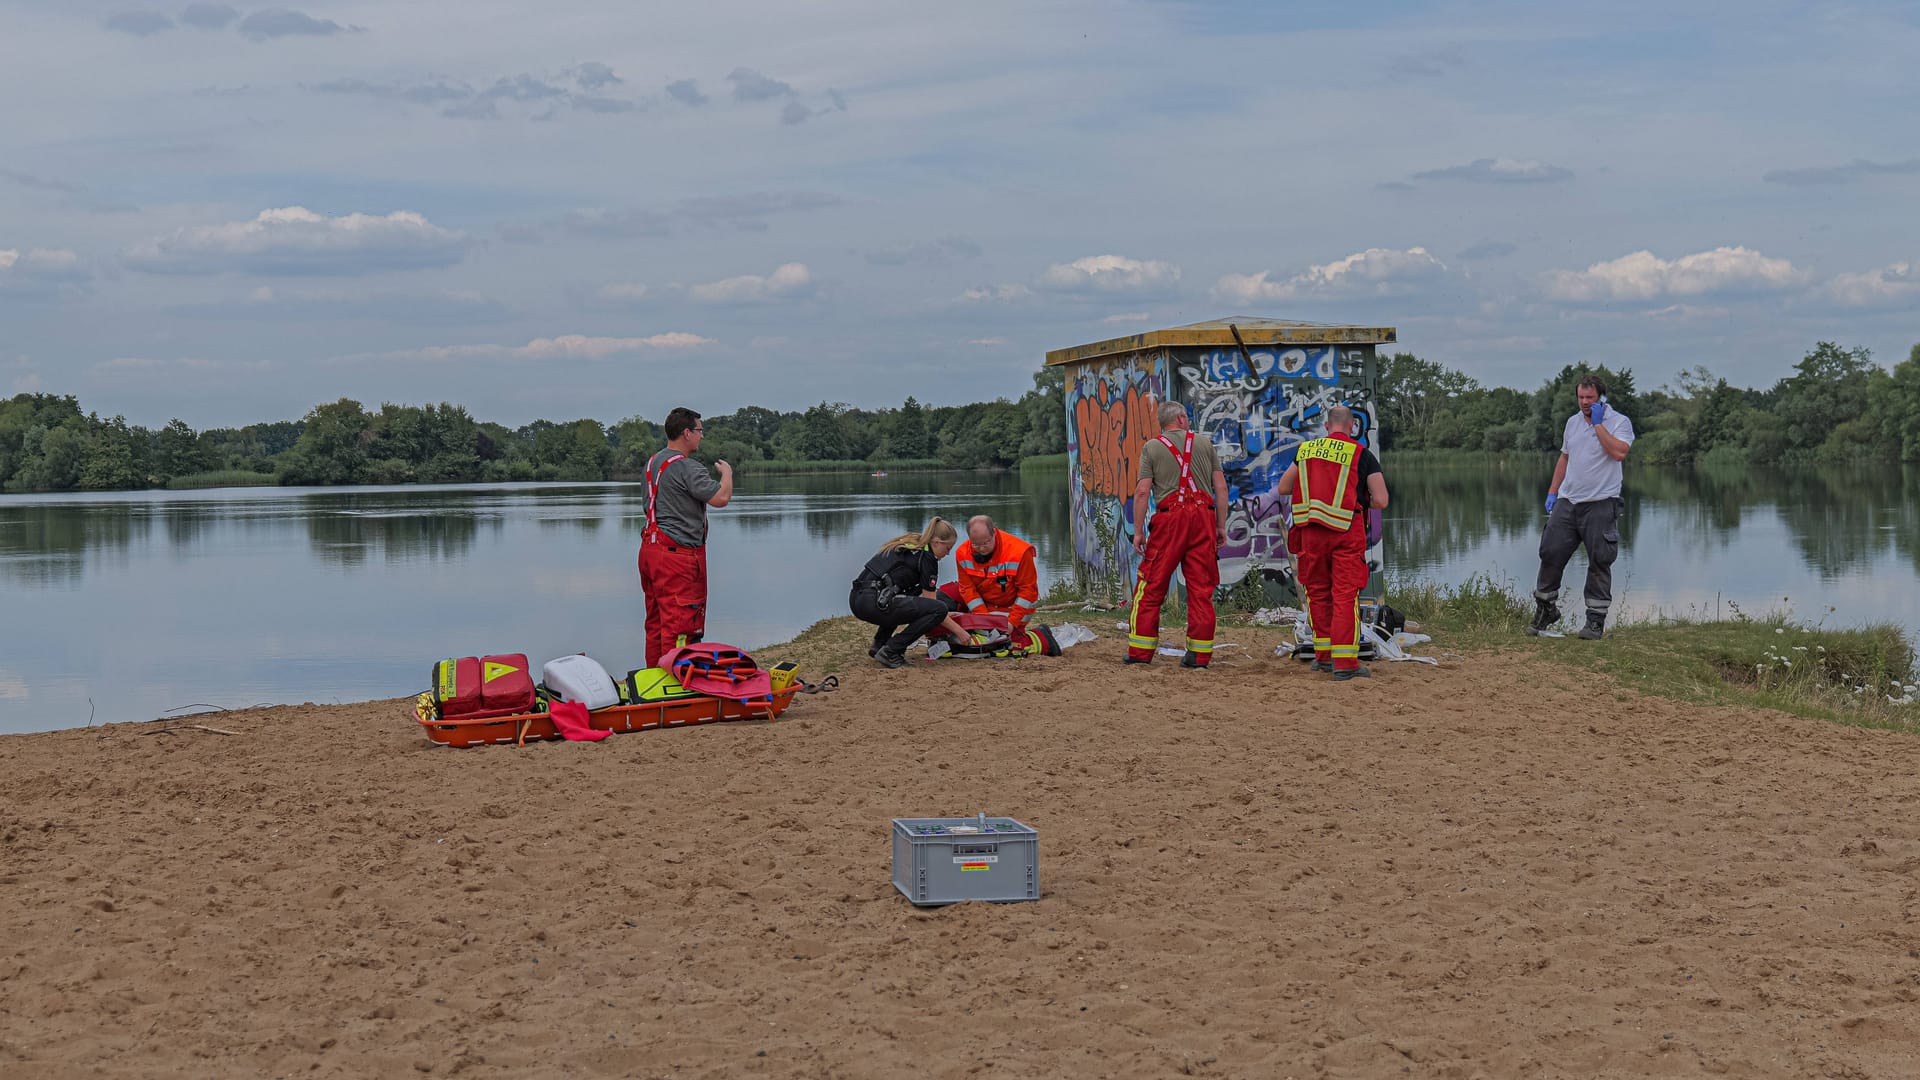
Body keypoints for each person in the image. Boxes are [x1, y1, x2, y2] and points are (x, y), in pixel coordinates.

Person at [1275, 405, 1388, 681]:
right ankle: (1345, 663)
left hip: (1311, 534)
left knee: (1318, 593)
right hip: (1345, 533)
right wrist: (1362, 499)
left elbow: (1283, 487)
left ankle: (1323, 657)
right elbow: (1381, 499)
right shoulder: (1361, 454)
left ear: (1326, 427)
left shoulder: (1305, 451)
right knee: (1344, 596)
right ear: (1352, 427)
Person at [1531, 375, 1635, 640]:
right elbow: (1565, 458)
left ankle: (1594, 623)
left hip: (1601, 503)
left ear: (1601, 398)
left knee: (1600, 560)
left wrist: (1599, 426)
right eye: (1581, 397)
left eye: (1590, 398)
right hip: (1569, 501)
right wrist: (1553, 492)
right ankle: (1546, 609)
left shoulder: (1619, 422)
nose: (1585, 403)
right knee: (1550, 551)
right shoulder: (1572, 422)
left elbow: (1619, 453)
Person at [1125, 401, 1229, 668]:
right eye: (1187, 417)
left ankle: (1140, 653)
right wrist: (1220, 526)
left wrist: (1138, 532)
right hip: (1203, 519)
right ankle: (1199, 656)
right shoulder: (1205, 444)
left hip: (1170, 519)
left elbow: (1141, 492)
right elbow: (1221, 488)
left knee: (1151, 584)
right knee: (1201, 589)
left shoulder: (1152, 447)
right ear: (1181, 419)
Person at [638, 407, 732, 668]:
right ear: (687, 433)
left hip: (650, 550)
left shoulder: (652, 462)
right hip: (677, 558)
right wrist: (727, 475)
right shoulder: (688, 467)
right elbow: (720, 498)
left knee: (656, 623)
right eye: (700, 430)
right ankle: (678, 686)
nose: (702, 436)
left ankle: (654, 683)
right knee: (681, 625)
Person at [850, 517, 970, 669]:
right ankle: (892, 650)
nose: (947, 554)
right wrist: (960, 632)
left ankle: (880, 644)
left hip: (857, 598)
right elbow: (933, 606)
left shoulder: (911, 544)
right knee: (938, 609)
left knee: (909, 597)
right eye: (948, 549)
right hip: (873, 603)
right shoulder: (928, 558)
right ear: (937, 542)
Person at [939, 515, 1040, 631]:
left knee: (1001, 637)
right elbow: (967, 589)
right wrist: (984, 618)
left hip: (1013, 608)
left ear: (994, 532)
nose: (981, 549)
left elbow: (1028, 591)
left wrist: (1012, 623)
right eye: (976, 544)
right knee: (944, 596)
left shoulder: (1019, 552)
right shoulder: (962, 553)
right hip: (985, 606)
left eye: (986, 543)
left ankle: (1031, 635)